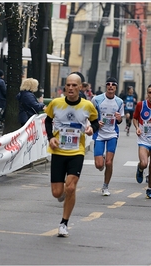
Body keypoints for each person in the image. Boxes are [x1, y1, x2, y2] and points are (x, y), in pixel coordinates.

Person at [44, 73, 99, 237]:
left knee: (71, 187)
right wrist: (51, 138)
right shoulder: (56, 103)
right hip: (58, 151)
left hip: (77, 151)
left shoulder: (87, 106)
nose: (70, 88)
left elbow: (95, 121)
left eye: (74, 85)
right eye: (68, 85)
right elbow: (47, 120)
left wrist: (91, 129)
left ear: (80, 87)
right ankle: (63, 196)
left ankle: (64, 223)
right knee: (56, 192)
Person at [91, 77, 124, 196]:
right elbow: (90, 114)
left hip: (112, 134)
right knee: (99, 165)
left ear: (116, 87)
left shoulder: (119, 101)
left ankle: (105, 186)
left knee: (109, 163)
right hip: (99, 134)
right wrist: (95, 123)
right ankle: (102, 159)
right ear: (106, 86)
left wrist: (119, 119)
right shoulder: (97, 99)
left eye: (113, 84)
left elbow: (120, 120)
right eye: (108, 84)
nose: (110, 86)